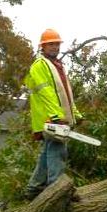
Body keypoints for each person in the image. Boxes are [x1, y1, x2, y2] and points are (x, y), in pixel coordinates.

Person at [24, 28, 83, 199]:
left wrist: (76, 115)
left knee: (47, 153)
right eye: (51, 44)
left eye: (56, 44)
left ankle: (33, 188)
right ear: (42, 46)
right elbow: (47, 93)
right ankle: (57, 189)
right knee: (58, 151)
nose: (55, 47)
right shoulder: (39, 66)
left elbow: (65, 94)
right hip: (49, 117)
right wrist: (57, 117)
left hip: (57, 116)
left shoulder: (57, 66)